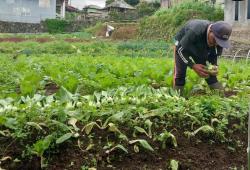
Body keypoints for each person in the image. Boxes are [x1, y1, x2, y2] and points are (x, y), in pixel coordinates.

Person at [173, 19, 232, 94]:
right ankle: (177, 97)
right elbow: (180, 50)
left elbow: (214, 56)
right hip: (182, 45)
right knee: (180, 73)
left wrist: (214, 66)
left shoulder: (219, 39)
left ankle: (220, 95)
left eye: (219, 42)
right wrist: (193, 65)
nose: (216, 44)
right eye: (215, 40)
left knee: (208, 71)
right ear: (210, 30)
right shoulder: (195, 31)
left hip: (200, 45)